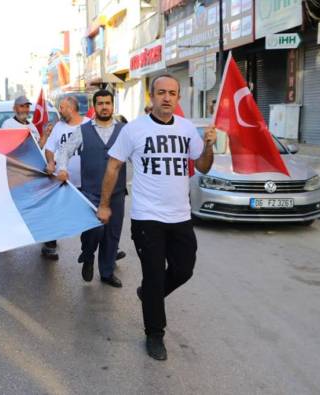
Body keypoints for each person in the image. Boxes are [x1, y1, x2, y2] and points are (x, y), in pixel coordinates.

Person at [96, 74, 216, 361]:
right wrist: (104, 205)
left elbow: (203, 166)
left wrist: (209, 145)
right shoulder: (133, 130)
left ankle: (149, 293)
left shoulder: (187, 129)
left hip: (180, 216)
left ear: (177, 97)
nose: (166, 97)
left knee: (184, 269)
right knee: (152, 274)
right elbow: (113, 168)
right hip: (147, 216)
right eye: (161, 92)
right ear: (151, 96)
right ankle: (155, 334)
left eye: (172, 93)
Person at [55, 91, 126, 287]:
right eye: (101, 103)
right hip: (90, 192)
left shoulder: (124, 130)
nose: (105, 106)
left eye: (108, 103)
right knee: (93, 230)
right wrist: (62, 169)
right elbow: (64, 151)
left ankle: (106, 272)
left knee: (112, 234)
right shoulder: (82, 130)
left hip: (117, 193)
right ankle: (87, 256)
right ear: (95, 106)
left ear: (113, 106)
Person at [43, 96, 91, 261]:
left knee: (89, 216)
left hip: (87, 182)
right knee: (55, 213)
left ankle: (90, 252)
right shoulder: (59, 127)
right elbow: (49, 148)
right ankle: (50, 245)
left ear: (71, 108)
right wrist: (50, 161)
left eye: (62, 107)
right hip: (62, 180)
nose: (60, 111)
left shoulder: (89, 124)